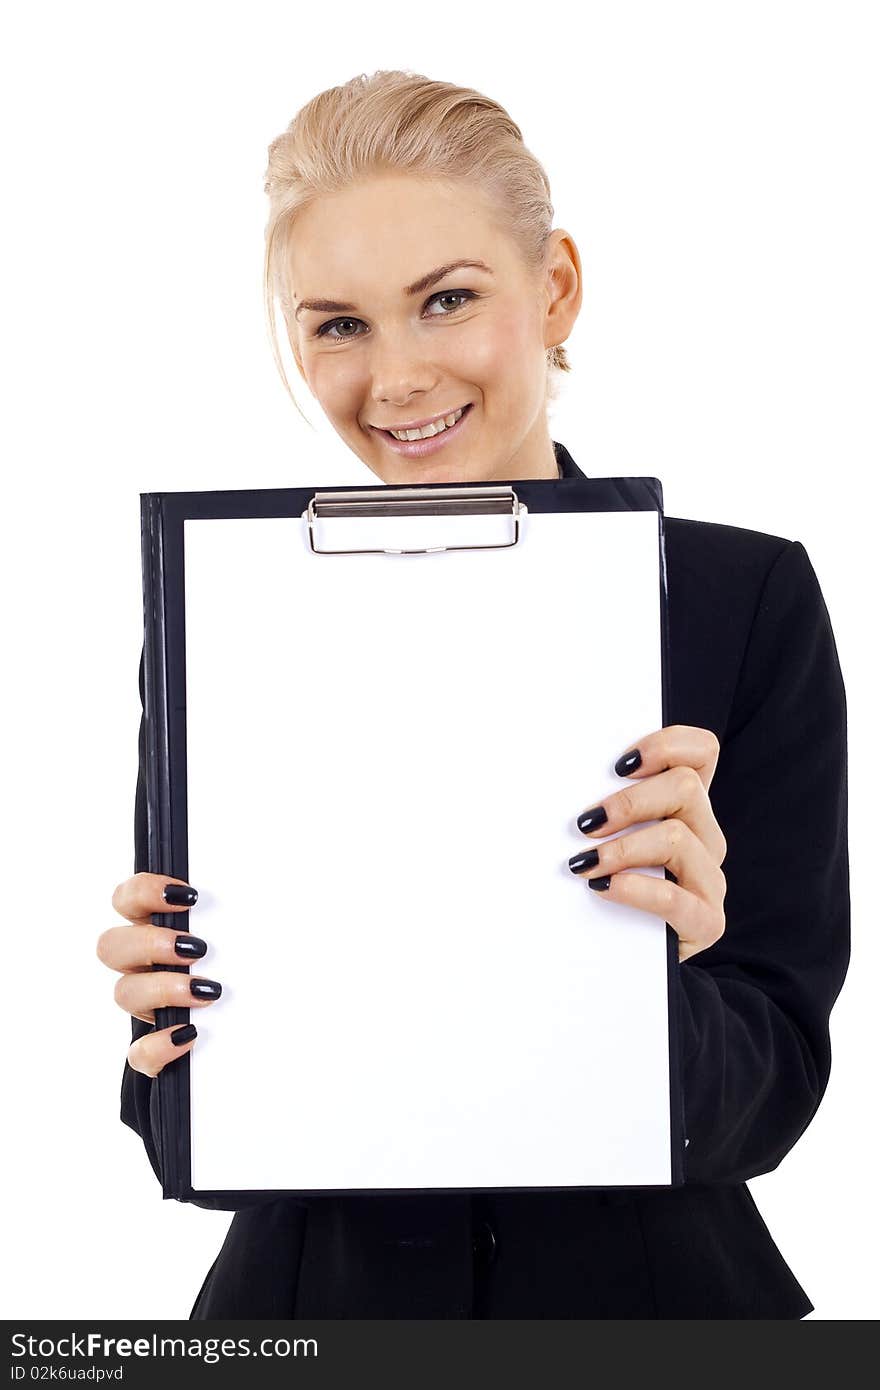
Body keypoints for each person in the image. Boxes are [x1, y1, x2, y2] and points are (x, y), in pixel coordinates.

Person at [98, 69, 850, 1319]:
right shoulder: (228, 612)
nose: (394, 379)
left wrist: (676, 969)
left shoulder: (742, 596)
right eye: (337, 323)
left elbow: (773, 1086)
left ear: (552, 286)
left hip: (656, 1311)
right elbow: (188, 1138)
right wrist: (170, 1037)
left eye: (445, 300)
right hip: (311, 1313)